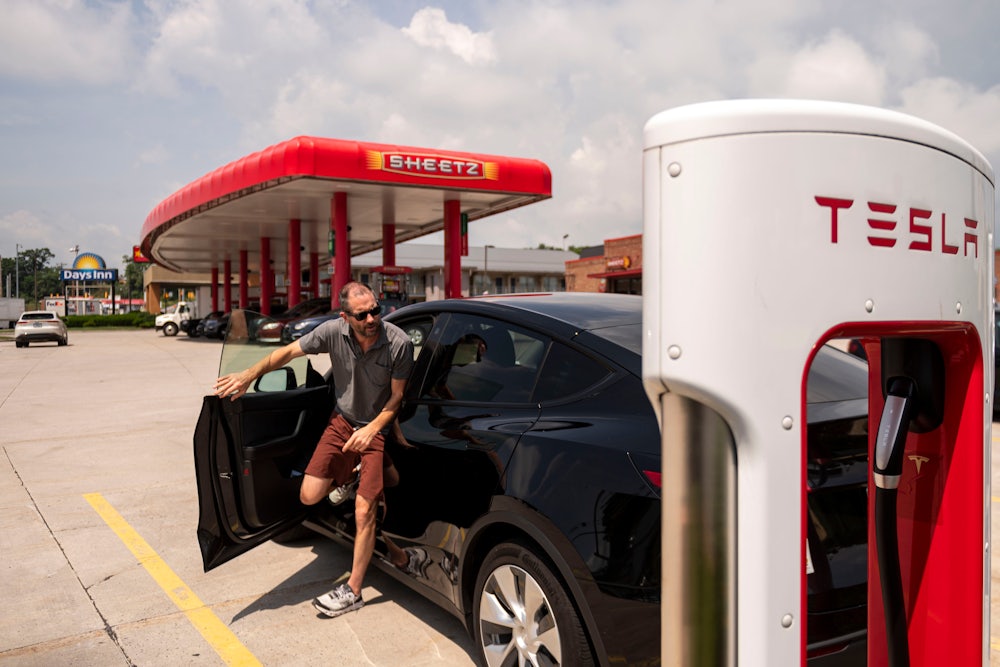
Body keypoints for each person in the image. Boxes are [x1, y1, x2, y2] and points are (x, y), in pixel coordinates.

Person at [213, 281, 414, 618]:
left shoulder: (399, 343)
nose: (372, 319)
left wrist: (371, 432)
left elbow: (396, 399)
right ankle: (361, 474)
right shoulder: (331, 333)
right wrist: (248, 375)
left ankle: (353, 590)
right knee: (309, 495)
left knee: (365, 513)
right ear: (345, 317)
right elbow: (286, 353)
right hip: (342, 420)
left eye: (375, 310)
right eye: (362, 314)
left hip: (376, 426)